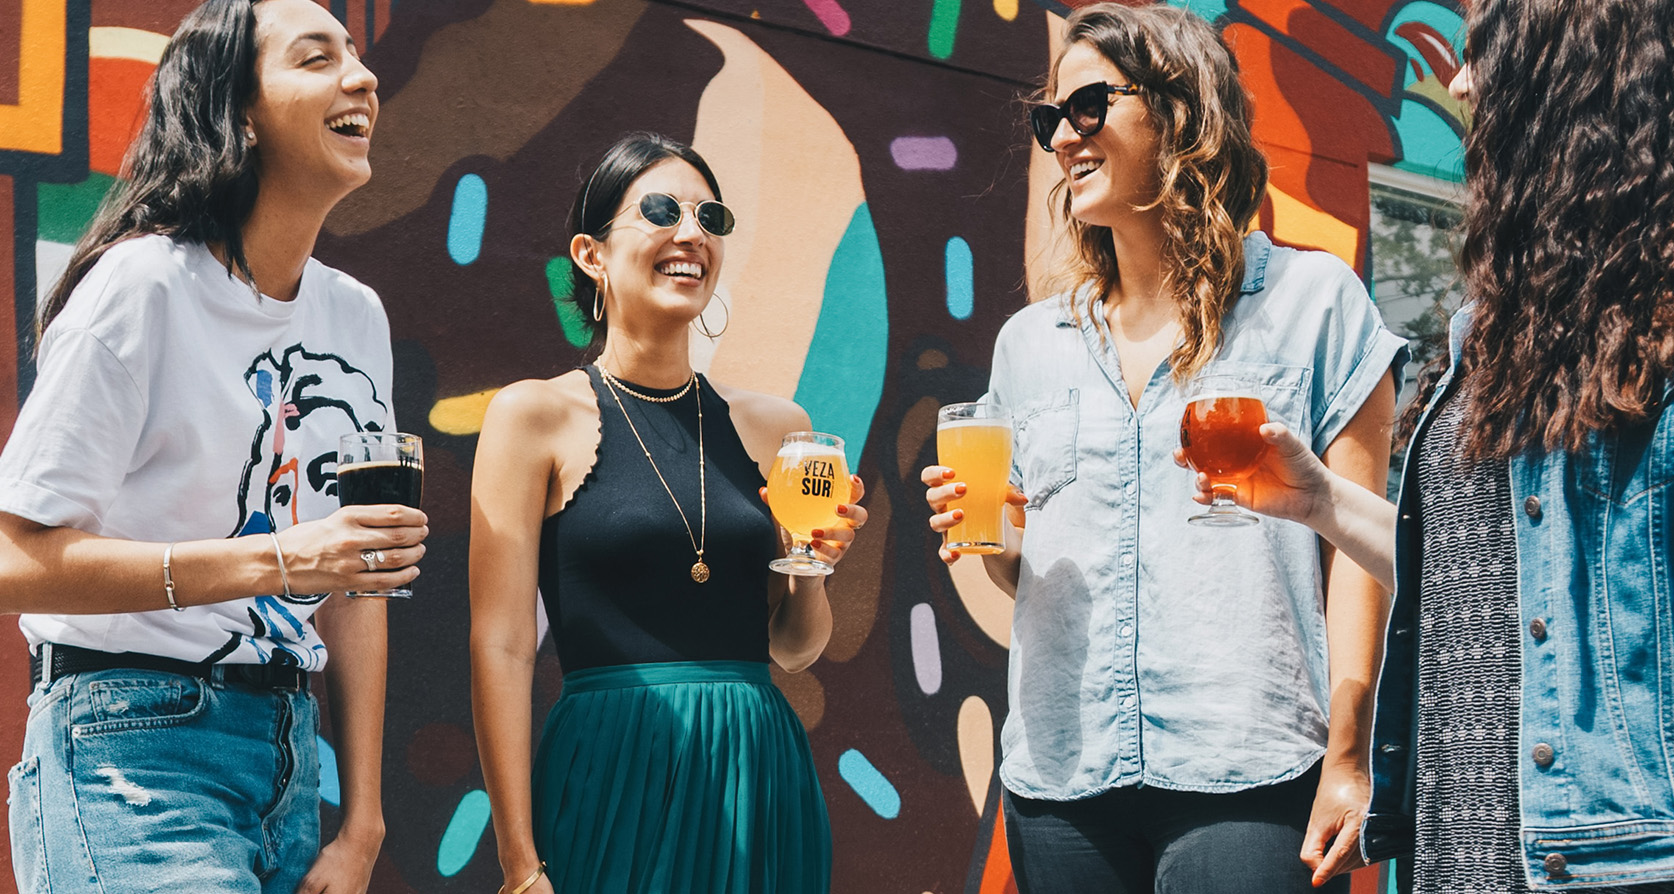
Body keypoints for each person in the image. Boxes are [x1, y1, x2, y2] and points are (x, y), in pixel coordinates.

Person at [1182, 0, 1674, 890]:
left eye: (1482, 51)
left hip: (1628, 857)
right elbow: (1478, 581)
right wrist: (1319, 501)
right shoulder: (1497, 314)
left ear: (1571, 59)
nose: (1457, 81)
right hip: (1465, 846)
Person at [920, 4, 1407, 891]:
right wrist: (993, 538)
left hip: (1251, 771)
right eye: (1049, 118)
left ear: (1181, 110)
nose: (1062, 138)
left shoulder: (1313, 302)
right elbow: (1027, 572)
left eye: (1088, 106)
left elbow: (1357, 555)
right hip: (1061, 780)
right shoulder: (1029, 345)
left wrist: (1349, 753)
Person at [0, 1, 423, 892]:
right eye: (316, 59)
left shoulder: (354, 316)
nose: (363, 77)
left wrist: (364, 823)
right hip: (129, 744)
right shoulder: (142, 286)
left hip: (286, 757)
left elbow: (355, 586)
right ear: (239, 113)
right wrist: (278, 560)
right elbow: (12, 562)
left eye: (355, 55)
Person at [469, 132, 864, 894]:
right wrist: (519, 863)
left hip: (757, 772)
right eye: (660, 211)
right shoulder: (532, 416)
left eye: (709, 217)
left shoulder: (782, 428)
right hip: (611, 770)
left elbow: (794, 648)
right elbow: (502, 646)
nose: (691, 233)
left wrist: (814, 568)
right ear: (591, 254)